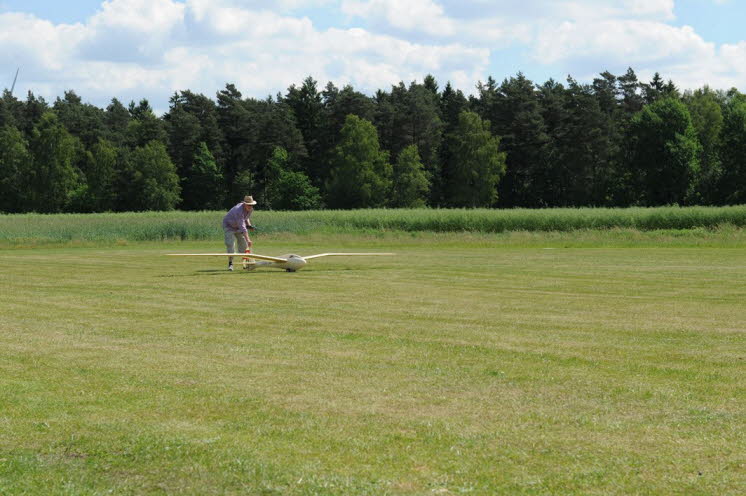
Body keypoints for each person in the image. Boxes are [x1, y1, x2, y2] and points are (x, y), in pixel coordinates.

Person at [222, 195, 257, 271]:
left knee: (244, 245)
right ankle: (230, 264)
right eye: (249, 205)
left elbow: (246, 218)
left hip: (238, 226)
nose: (250, 207)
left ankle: (245, 264)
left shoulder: (250, 209)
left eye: (251, 205)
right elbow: (242, 227)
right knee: (230, 244)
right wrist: (248, 239)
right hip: (229, 226)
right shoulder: (238, 210)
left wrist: (249, 225)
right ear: (244, 204)